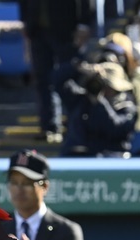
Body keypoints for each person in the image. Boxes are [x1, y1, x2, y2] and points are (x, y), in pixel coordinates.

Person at [18, 0, 93, 144]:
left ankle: (76, 126)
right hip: (37, 30)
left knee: (70, 79)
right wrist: (25, 22)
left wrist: (84, 24)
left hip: (66, 29)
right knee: (42, 80)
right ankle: (49, 127)